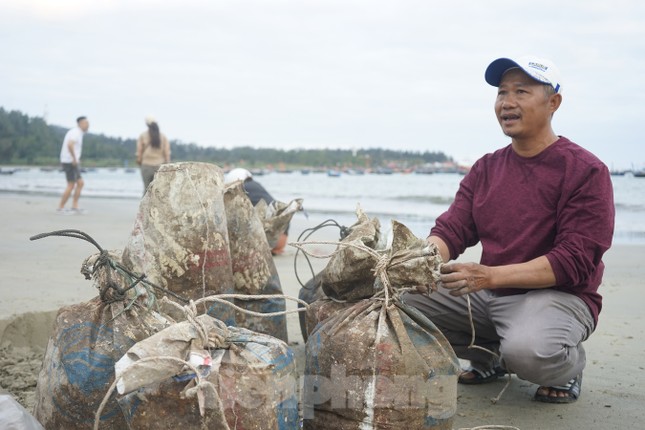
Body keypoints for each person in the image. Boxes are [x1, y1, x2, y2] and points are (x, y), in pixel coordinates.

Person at [403, 56, 615, 404]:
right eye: (502, 92)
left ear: (553, 103)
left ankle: (567, 367)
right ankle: (489, 358)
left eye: (521, 91)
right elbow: (452, 228)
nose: (507, 102)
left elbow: (573, 260)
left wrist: (489, 277)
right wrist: (420, 259)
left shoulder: (586, 170)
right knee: (398, 301)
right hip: (490, 294)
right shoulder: (486, 168)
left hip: (557, 295)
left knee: (530, 351)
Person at [226, 168, 289, 255]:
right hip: (282, 237)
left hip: (266, 237)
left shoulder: (240, 189)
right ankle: (275, 249)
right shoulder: (257, 185)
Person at [57, 116, 89, 213]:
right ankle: (61, 207)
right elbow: (70, 144)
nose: (88, 126)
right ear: (80, 124)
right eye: (86, 123)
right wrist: (74, 158)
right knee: (71, 184)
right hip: (69, 161)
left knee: (80, 183)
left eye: (88, 124)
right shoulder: (76, 132)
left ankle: (75, 206)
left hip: (71, 160)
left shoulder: (78, 133)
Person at [136, 116, 171, 193]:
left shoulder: (143, 136)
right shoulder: (163, 136)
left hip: (146, 166)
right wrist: (167, 165)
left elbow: (139, 152)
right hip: (159, 167)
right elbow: (167, 154)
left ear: (146, 124)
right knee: (158, 191)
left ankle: (144, 205)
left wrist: (139, 162)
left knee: (146, 190)